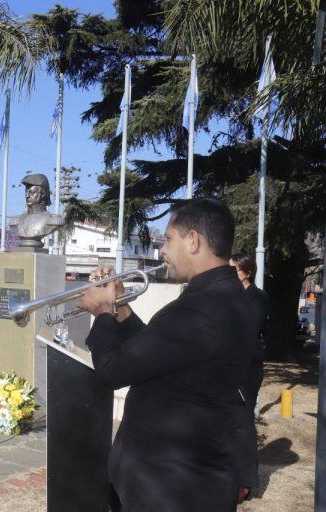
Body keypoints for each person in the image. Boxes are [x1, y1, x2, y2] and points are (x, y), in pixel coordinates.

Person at [77, 198, 254, 512]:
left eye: (168, 239)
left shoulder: (201, 308)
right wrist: (119, 308)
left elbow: (112, 372)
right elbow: (160, 349)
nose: (162, 250)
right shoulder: (223, 296)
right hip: (179, 481)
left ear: (193, 241)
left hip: (169, 488)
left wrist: (103, 312)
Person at [229, 252, 269, 501]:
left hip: (247, 369)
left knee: (243, 425)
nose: (230, 274)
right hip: (229, 366)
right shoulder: (231, 295)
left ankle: (245, 483)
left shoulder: (258, 297)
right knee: (230, 425)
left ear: (247, 272)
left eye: (234, 270)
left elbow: (249, 328)